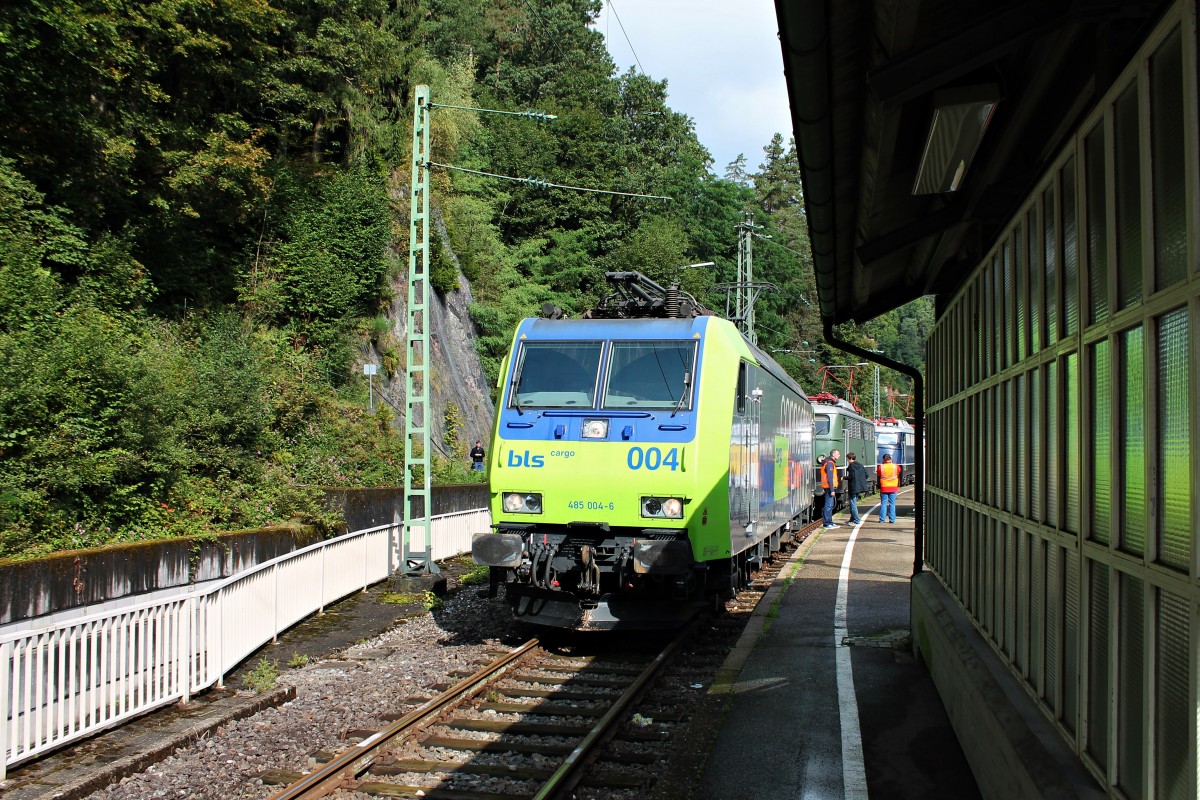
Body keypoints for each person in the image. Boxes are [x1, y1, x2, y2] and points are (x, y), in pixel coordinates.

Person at [819, 449, 841, 529]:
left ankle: (830, 522)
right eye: (838, 454)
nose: (839, 455)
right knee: (828, 505)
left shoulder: (828, 462)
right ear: (833, 454)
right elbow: (830, 477)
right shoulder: (829, 463)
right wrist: (832, 490)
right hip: (829, 487)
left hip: (828, 486)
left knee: (830, 505)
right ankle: (826, 523)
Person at [877, 453, 902, 523]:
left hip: (884, 487)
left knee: (884, 503)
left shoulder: (881, 467)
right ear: (891, 459)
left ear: (883, 460)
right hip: (893, 487)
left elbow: (879, 474)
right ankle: (892, 520)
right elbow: (899, 471)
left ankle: (882, 520)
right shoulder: (895, 466)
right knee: (892, 504)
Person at [845, 452, 868, 525]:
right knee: (853, 503)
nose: (847, 461)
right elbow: (866, 475)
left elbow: (851, 476)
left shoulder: (851, 466)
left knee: (853, 504)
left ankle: (857, 520)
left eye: (848, 459)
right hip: (859, 487)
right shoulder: (860, 465)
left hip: (853, 487)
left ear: (851, 459)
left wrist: (844, 477)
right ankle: (852, 519)